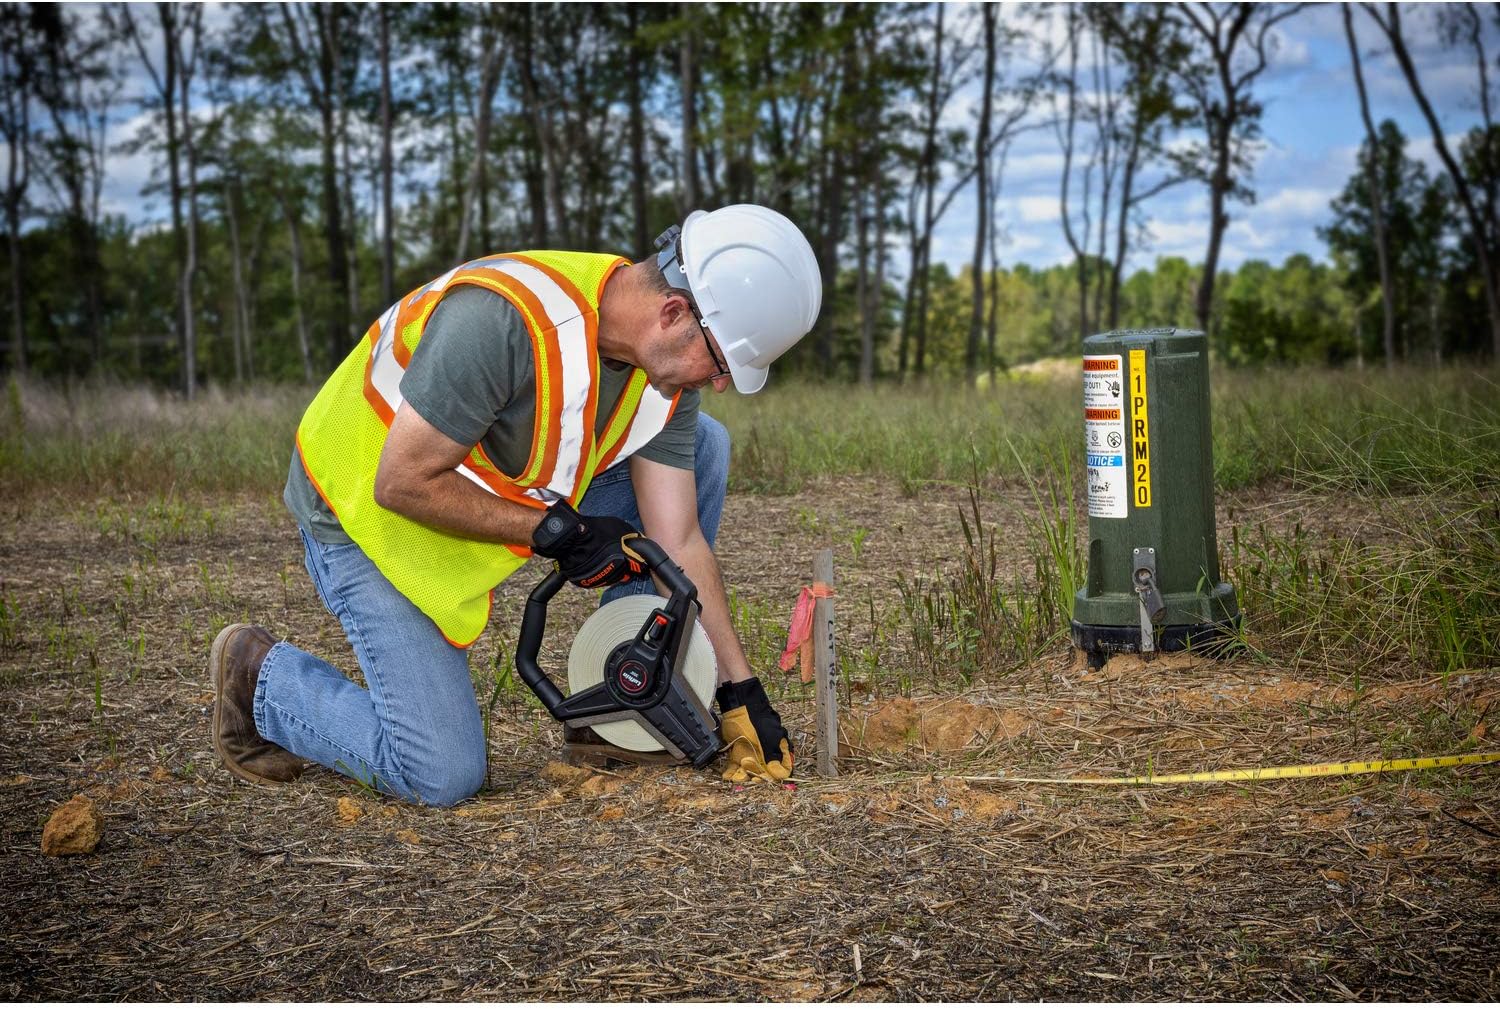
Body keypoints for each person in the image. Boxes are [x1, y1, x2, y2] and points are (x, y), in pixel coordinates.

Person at [206, 205, 822, 807]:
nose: (718, 383)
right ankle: (260, 678)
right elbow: (402, 482)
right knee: (439, 774)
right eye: (719, 362)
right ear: (673, 312)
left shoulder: (660, 371)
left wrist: (741, 691)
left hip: (473, 489)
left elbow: (678, 539)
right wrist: (557, 531)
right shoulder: (502, 322)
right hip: (366, 509)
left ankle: (616, 706)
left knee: (703, 447)